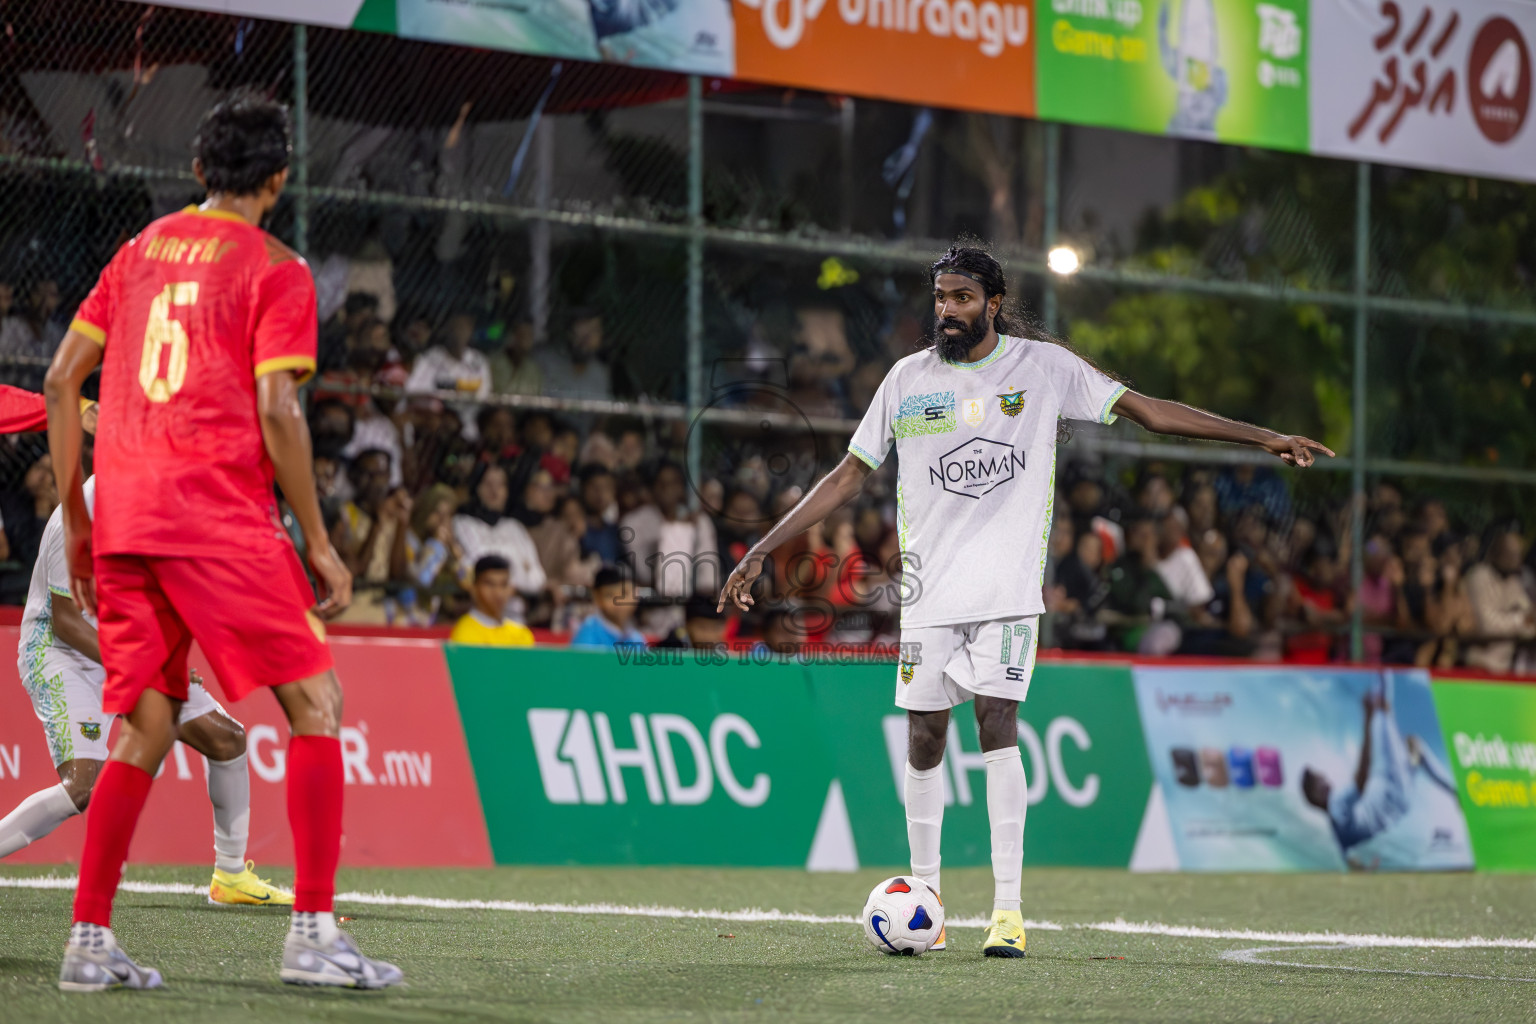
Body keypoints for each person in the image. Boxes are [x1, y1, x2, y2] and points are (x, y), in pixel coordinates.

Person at [717, 243, 1331, 959]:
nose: (947, 312)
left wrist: (1262, 439)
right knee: (923, 735)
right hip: (929, 596)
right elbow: (846, 476)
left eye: (962, 299)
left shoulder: (1044, 368)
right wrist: (762, 547)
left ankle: (1007, 911)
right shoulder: (906, 381)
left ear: (994, 303)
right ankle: (928, 899)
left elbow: (1149, 413)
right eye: (940, 298)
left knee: (996, 722)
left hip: (1007, 594)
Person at [44, 93, 400, 991]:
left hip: (124, 521)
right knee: (317, 702)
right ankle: (315, 937)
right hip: (215, 516)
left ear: (201, 171)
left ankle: (88, 944)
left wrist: (81, 526)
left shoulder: (134, 256)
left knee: (147, 724)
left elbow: (58, 383)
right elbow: (280, 409)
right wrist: (318, 540)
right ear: (279, 180)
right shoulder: (278, 269)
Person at [0, 475, 292, 908]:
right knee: (79, 788)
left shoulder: (156, 514)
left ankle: (230, 877)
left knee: (226, 739)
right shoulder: (75, 520)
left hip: (126, 648)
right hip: (60, 654)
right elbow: (67, 621)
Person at [1301, 680, 1456, 864]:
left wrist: (1365, 870)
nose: (1327, 779)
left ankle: (1440, 783)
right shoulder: (1336, 804)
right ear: (1316, 795)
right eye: (1321, 780)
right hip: (1393, 789)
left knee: (1413, 745)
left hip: (1400, 804)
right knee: (1383, 707)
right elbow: (1361, 779)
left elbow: (1349, 861)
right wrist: (1367, 717)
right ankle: (1455, 792)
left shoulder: (1337, 833)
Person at [449, 555, 536, 647]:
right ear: (474, 589)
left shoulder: (522, 634)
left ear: (511, 589)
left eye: (504, 584)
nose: (498, 593)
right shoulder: (465, 634)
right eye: (490, 584)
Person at [571, 565, 646, 649]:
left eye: (625, 593)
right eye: (609, 595)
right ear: (597, 597)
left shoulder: (636, 638)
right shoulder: (587, 637)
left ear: (636, 593)